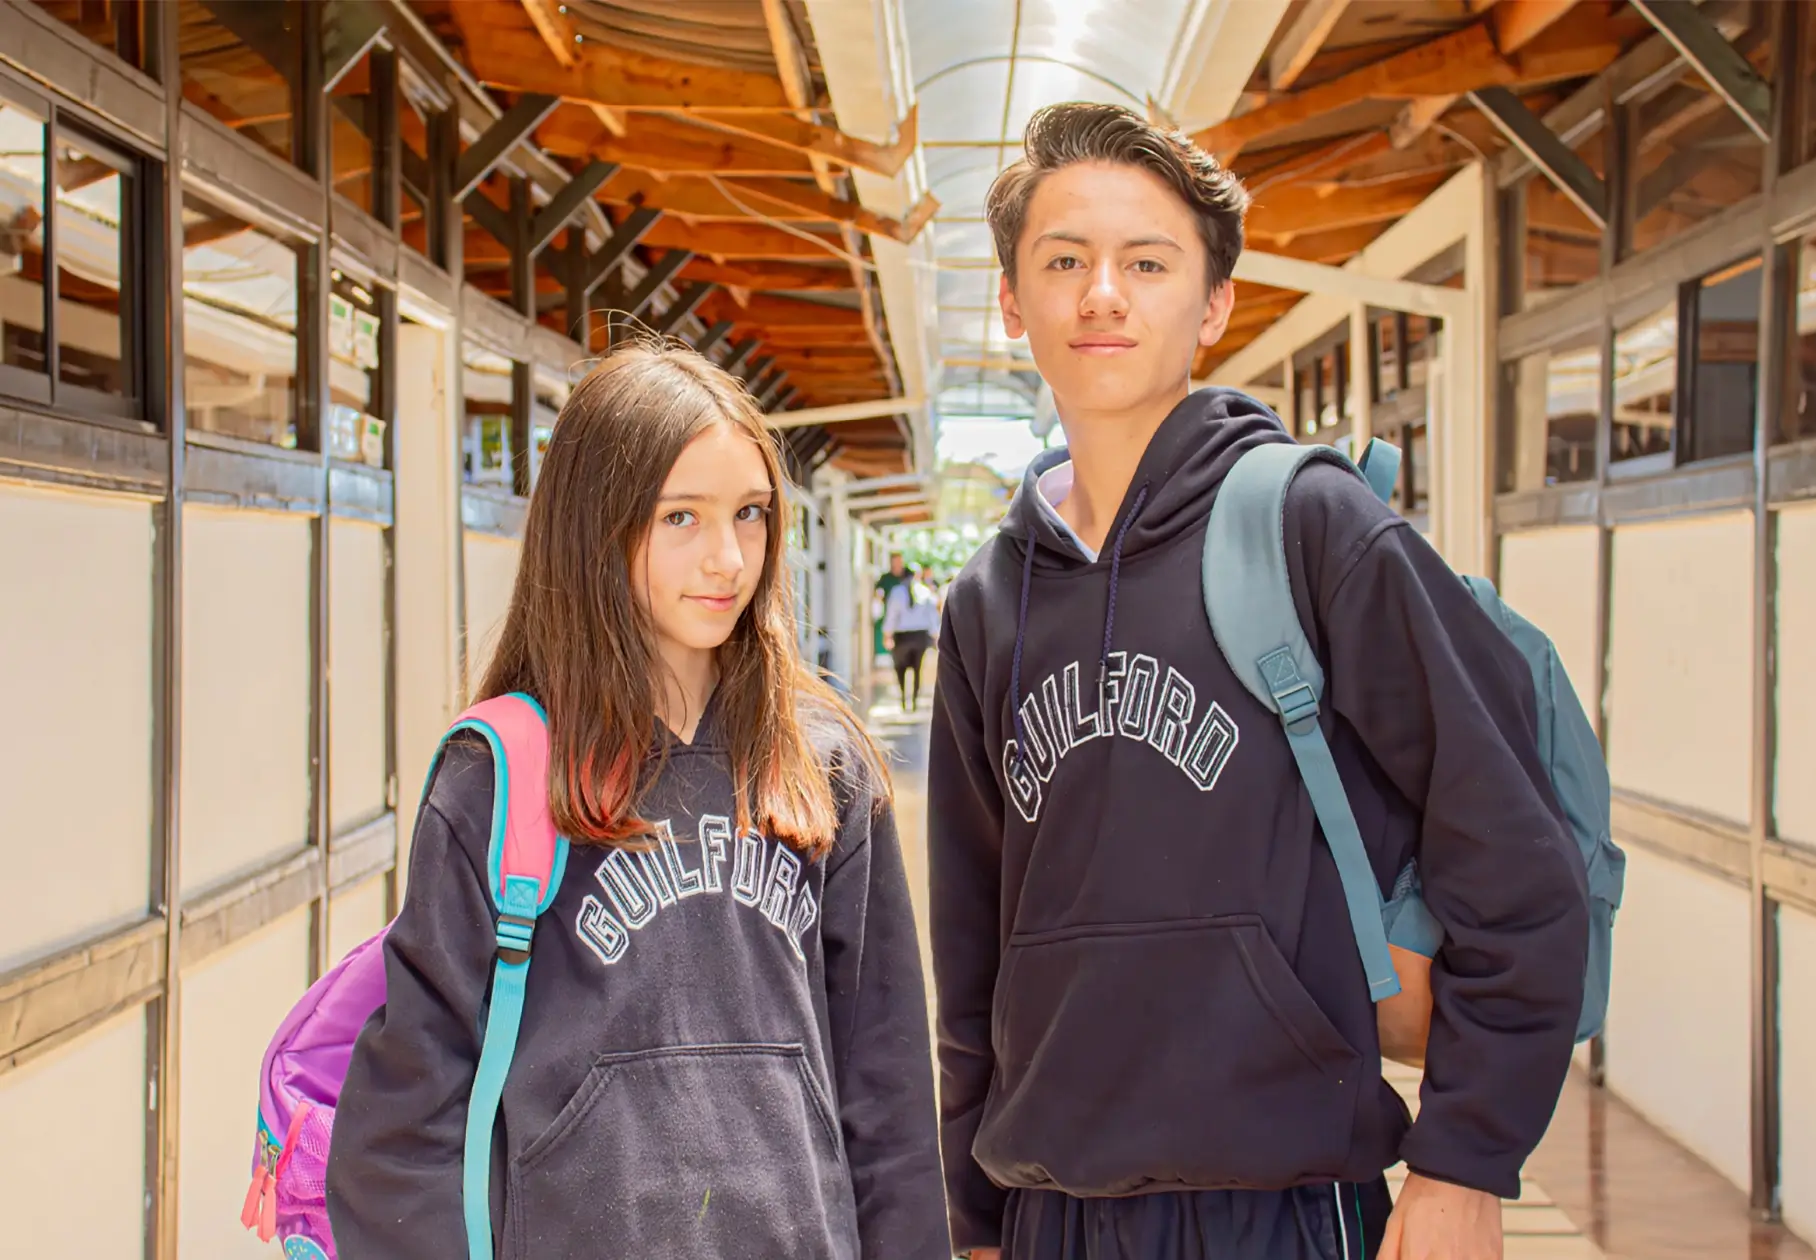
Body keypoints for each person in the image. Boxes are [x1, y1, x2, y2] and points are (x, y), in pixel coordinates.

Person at [927, 103, 1589, 1260]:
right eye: (1064, 261)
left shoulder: (1313, 527)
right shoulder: (989, 602)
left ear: (1214, 304)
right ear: (1012, 300)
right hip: (1050, 1214)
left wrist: (1463, 1165)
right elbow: (976, 937)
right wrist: (975, 1216)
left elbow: (1515, 851)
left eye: (1147, 262)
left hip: (1281, 1205)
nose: (1103, 295)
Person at [327, 340, 949, 1259]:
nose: (728, 557)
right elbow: (410, 1114)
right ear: (595, 527)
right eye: (679, 518)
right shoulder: (501, 776)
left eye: (749, 514)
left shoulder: (824, 768)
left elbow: (886, 1092)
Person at [884, 565, 942, 712]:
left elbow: (892, 615)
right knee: (917, 669)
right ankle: (914, 699)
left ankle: (904, 697)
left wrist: (888, 634)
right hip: (920, 636)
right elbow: (932, 617)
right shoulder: (925, 591)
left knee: (900, 668)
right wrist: (935, 636)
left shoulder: (896, 592)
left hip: (902, 637)